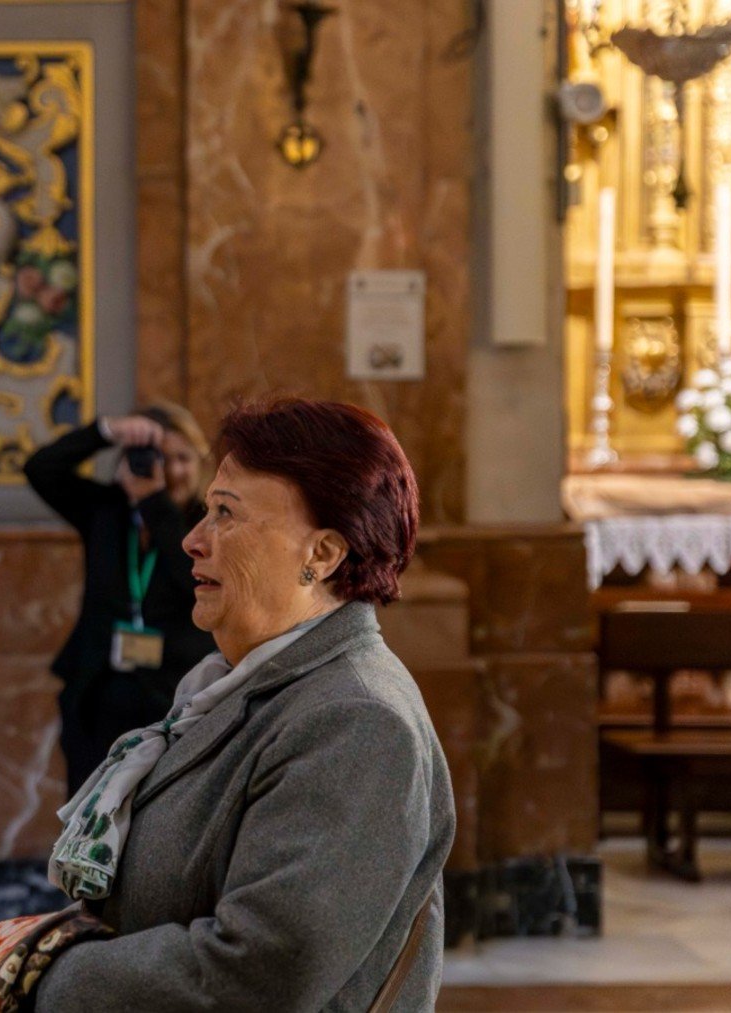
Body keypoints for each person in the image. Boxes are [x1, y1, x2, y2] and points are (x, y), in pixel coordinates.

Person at [31, 397, 455, 1012]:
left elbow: (265, 966)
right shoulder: (240, 685)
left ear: (322, 554)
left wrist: (60, 972)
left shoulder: (356, 721)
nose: (193, 541)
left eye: (226, 515)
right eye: (205, 511)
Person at [23, 404, 216, 795]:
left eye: (183, 458)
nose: (172, 470)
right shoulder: (106, 510)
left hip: (176, 693)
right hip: (99, 688)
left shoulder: (210, 523)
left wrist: (153, 504)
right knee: (90, 803)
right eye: (159, 457)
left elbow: (190, 575)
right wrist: (106, 430)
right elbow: (41, 469)